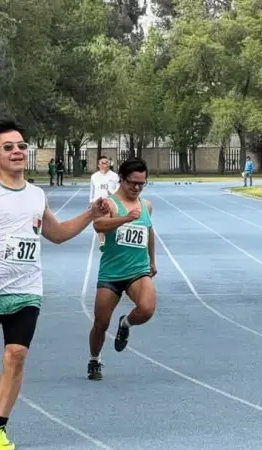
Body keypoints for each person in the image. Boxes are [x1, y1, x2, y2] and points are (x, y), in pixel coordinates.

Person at [0, 119, 110, 450]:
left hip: (26, 291)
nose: (17, 152)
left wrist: (91, 213)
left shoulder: (37, 195)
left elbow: (58, 234)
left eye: (21, 146)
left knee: (17, 354)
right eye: (8, 147)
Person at [87, 157, 157, 381]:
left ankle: (125, 323)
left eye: (141, 184)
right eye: (132, 183)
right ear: (122, 180)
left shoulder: (146, 206)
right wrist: (125, 218)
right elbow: (98, 225)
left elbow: (149, 232)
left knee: (146, 309)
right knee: (100, 323)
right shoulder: (109, 204)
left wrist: (152, 260)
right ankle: (94, 359)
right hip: (112, 273)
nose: (136, 188)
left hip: (138, 269)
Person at [89, 156, 119, 251]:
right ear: (99, 165)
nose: (105, 164)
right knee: (99, 222)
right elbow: (92, 190)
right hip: (98, 202)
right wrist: (91, 201)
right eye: (103, 163)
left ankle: (111, 240)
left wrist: (113, 194)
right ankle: (102, 242)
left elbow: (118, 188)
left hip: (111, 202)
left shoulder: (114, 176)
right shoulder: (94, 176)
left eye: (107, 162)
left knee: (111, 223)